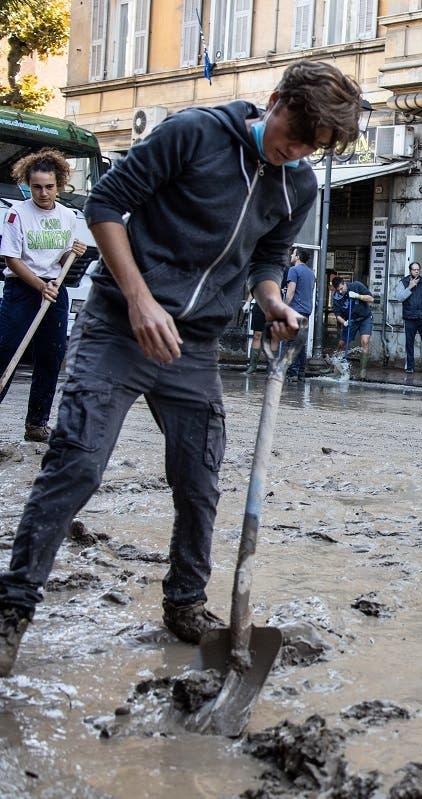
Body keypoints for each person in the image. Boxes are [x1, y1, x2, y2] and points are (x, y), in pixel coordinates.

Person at [0, 59, 364, 678]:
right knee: (77, 464)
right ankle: (11, 611)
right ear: (273, 101)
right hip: (121, 325)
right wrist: (140, 299)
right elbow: (107, 205)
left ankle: (186, 602)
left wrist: (273, 299)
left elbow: (269, 258)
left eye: (313, 148)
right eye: (294, 136)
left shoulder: (296, 184)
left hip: (192, 346)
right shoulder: (192, 132)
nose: (296, 152)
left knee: (199, 481)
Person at [0, 148, 88, 442]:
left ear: (59, 184)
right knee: (6, 352)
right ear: (28, 184)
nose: (43, 193)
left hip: (54, 289)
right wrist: (40, 286)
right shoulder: (17, 214)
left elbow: (61, 259)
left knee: (51, 356)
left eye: (49, 187)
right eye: (36, 186)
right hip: (23, 289)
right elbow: (12, 259)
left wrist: (71, 254)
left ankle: (36, 424)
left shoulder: (68, 216)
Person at [395, 261, 422, 373]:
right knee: (409, 343)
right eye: (414, 269)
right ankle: (410, 367)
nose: (416, 271)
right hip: (409, 318)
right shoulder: (403, 282)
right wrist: (409, 287)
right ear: (410, 271)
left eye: (418, 269)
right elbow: (399, 298)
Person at [283, 246, 315, 382]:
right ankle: (301, 373)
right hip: (306, 311)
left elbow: (291, 291)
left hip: (295, 310)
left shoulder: (293, 270)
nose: (291, 256)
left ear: (298, 257)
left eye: (293, 254)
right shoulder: (310, 273)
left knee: (291, 342)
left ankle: (292, 373)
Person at [332, 276, 374, 379]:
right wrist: (345, 323)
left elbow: (371, 299)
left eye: (341, 288)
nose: (340, 291)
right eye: (338, 290)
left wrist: (358, 296)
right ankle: (334, 366)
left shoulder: (356, 286)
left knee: (365, 341)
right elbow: (337, 315)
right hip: (351, 321)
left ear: (344, 283)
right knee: (342, 344)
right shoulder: (336, 297)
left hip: (365, 318)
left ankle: (362, 370)